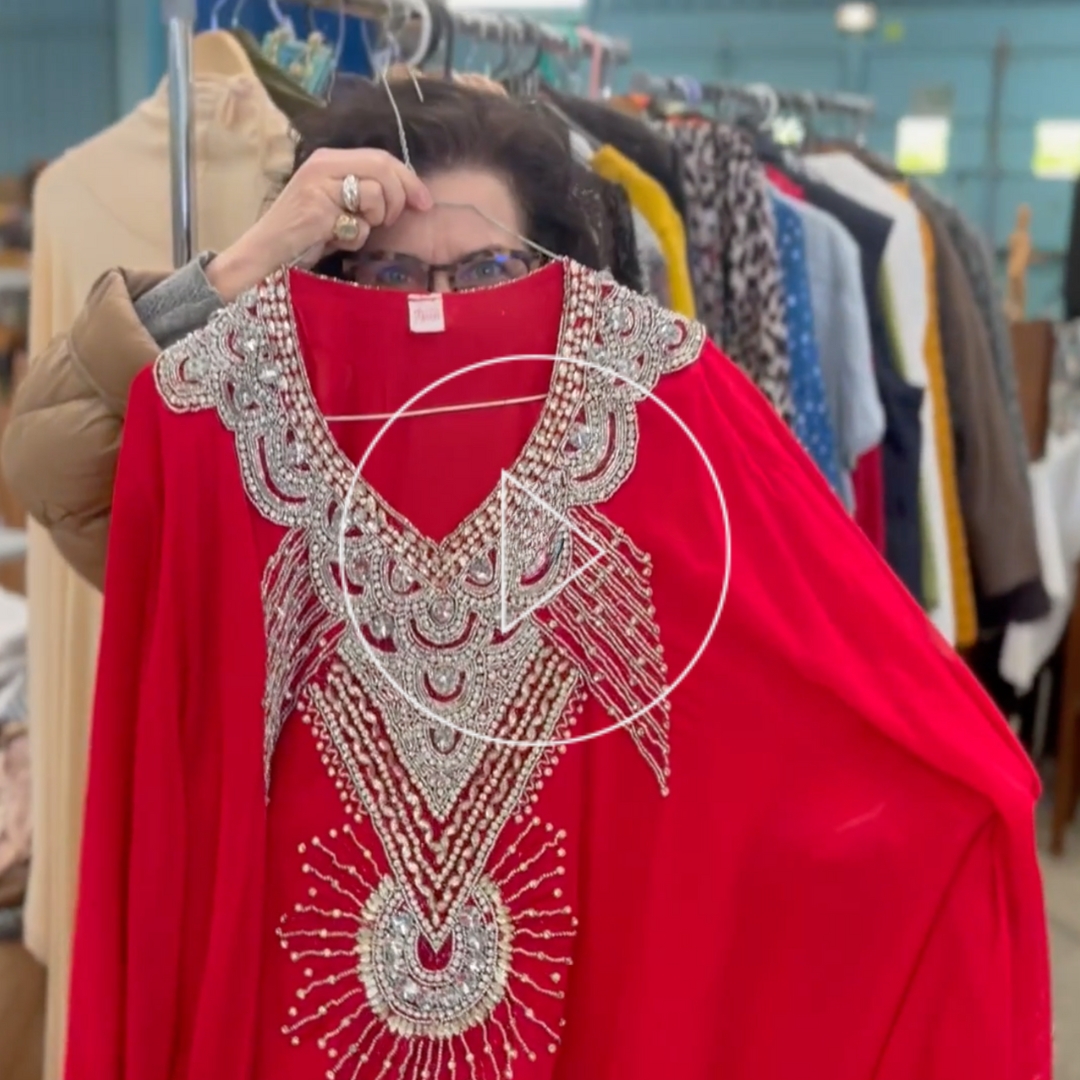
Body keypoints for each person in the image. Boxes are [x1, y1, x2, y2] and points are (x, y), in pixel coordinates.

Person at [4, 79, 1052, 1080]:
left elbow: (812, 699)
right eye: (395, 278)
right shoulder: (233, 444)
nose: (443, 309)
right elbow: (46, 465)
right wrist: (245, 266)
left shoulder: (654, 439)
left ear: (556, 267)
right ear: (331, 279)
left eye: (489, 272)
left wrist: (931, 830)